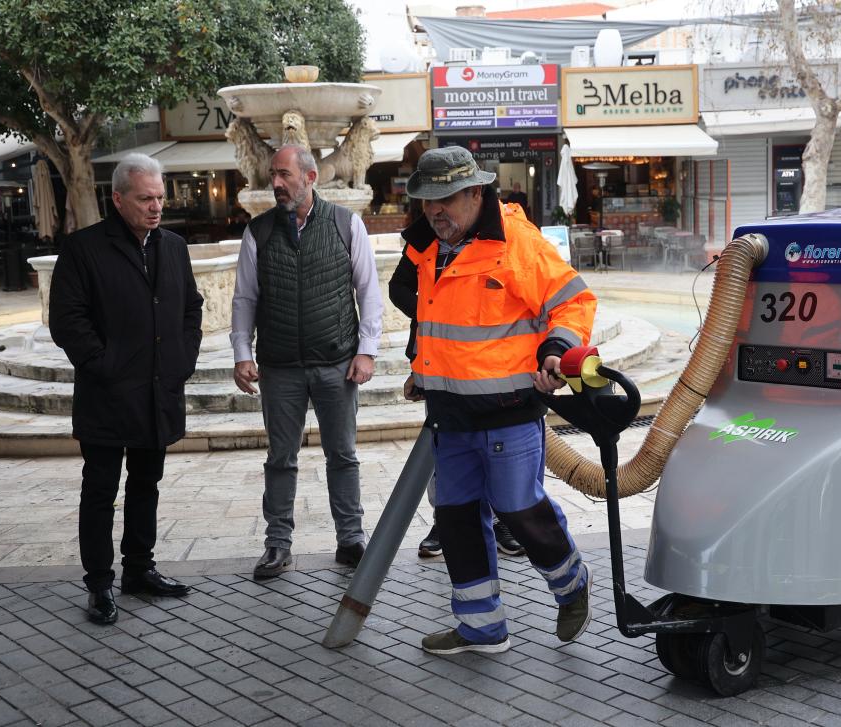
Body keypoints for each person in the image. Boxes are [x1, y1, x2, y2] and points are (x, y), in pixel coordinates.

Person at [398, 146, 597, 654]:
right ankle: (481, 628)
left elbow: (573, 302)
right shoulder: (426, 245)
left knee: (518, 509)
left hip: (508, 411)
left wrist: (556, 349)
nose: (434, 211)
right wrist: (423, 369)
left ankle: (571, 583)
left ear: (474, 192)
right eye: (426, 202)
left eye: (444, 199)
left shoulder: (516, 241)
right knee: (457, 519)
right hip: (449, 414)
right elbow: (435, 317)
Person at [49, 153, 204, 625]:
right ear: (117, 199)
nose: (156, 207)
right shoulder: (83, 249)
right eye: (145, 199)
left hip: (158, 393)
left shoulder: (173, 247)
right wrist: (105, 365)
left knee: (146, 486)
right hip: (106, 395)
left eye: (160, 197)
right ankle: (99, 584)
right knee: (100, 491)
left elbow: (191, 310)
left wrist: (182, 359)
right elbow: (66, 321)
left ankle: (139, 569)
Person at [231, 144, 383, 578]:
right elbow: (244, 299)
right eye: (273, 176)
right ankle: (278, 544)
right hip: (278, 367)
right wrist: (243, 353)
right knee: (281, 458)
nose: (276, 183)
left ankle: (350, 539)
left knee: (343, 455)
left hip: (337, 362)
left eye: (284, 175)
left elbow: (368, 291)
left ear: (311, 177)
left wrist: (367, 350)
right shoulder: (258, 232)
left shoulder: (345, 223)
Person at [388, 246, 526, 559]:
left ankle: (499, 518)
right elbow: (398, 287)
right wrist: (434, 315)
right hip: (437, 359)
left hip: (492, 359)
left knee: (494, 444)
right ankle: (444, 520)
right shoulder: (424, 238)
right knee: (443, 445)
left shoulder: (500, 232)